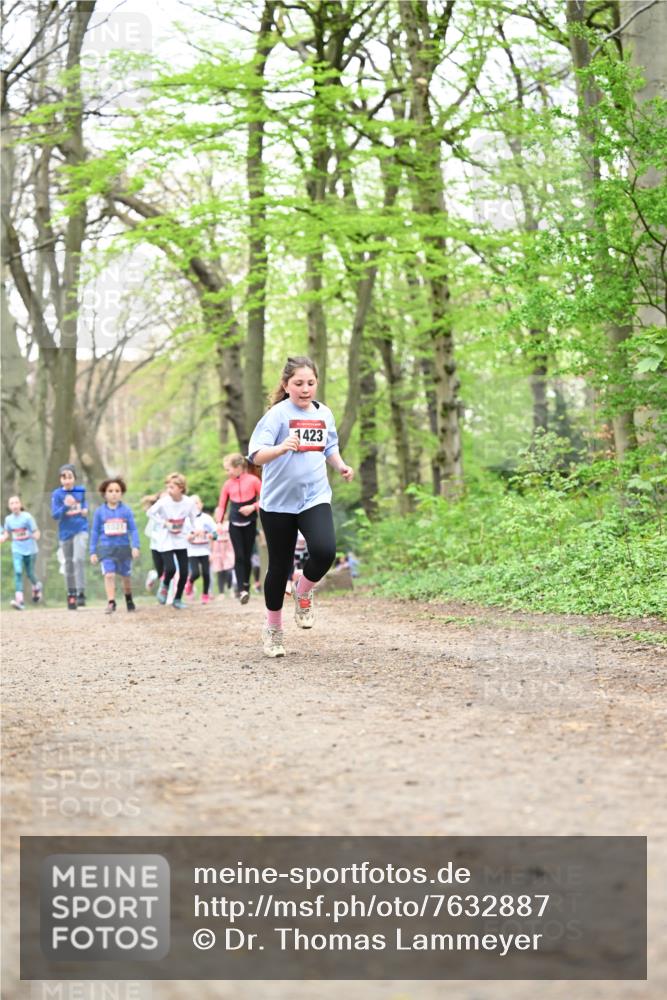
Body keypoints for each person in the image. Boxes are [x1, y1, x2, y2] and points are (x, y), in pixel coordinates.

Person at [247, 355, 354, 657]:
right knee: (279, 568)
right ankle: (273, 630)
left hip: (314, 496)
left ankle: (303, 590)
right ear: (286, 385)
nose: (305, 389)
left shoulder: (324, 414)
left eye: (310, 383)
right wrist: (281, 448)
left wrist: (341, 465)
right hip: (278, 502)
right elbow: (255, 454)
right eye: (298, 383)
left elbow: (329, 446)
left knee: (325, 551)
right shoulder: (277, 416)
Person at [216, 453, 261, 605]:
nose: (227, 472)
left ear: (238, 467)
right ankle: (241, 589)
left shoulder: (254, 481)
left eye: (228, 469)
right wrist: (218, 522)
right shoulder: (227, 484)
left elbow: (265, 499)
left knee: (247, 556)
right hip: (234, 523)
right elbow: (222, 505)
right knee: (239, 556)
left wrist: (252, 507)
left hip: (250, 522)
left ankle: (246, 586)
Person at [146, 473, 196, 610]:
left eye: (172, 487)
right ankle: (165, 585)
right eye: (167, 487)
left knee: (185, 572)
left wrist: (193, 532)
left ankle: (178, 599)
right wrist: (164, 522)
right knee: (170, 569)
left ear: (181, 488)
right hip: (166, 537)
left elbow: (193, 518)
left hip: (181, 538)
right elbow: (150, 513)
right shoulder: (164, 502)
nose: (169, 490)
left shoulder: (189, 502)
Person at [90, 478, 140, 614]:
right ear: (104, 494)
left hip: (123, 548)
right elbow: (94, 532)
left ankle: (128, 598)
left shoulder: (126, 511)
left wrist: (135, 546)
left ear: (121, 493)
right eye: (110, 491)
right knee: (109, 575)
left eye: (117, 491)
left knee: (126, 576)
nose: (114, 494)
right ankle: (111, 602)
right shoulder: (100, 512)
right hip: (106, 548)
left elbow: (133, 529)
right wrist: (92, 552)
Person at [50, 463, 89, 610]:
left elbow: (85, 504)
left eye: (70, 477)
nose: (67, 480)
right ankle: (71, 593)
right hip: (65, 532)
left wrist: (85, 509)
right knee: (68, 563)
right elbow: (55, 515)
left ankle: (80, 592)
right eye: (63, 477)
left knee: (78, 559)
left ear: (74, 478)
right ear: (60, 479)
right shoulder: (57, 494)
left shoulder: (81, 491)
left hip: (80, 529)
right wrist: (66, 505)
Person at [1, 495, 42, 609]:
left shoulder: (27, 517)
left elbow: (36, 531)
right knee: (18, 572)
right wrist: (3, 538)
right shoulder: (8, 519)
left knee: (30, 573)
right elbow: (6, 533)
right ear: (9, 506)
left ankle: (37, 586)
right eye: (11, 503)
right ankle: (20, 601)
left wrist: (36, 535)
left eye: (16, 503)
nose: (14, 505)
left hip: (31, 550)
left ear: (20, 504)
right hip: (17, 550)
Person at [184, 496, 217, 604]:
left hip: (204, 550)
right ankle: (190, 582)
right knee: (195, 573)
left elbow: (215, 533)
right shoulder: (186, 519)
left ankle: (205, 594)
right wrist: (191, 535)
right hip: (192, 551)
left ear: (201, 504)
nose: (195, 506)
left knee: (206, 573)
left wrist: (212, 535)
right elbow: (184, 536)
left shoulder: (207, 518)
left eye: (197, 503)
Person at [210, 520, 235, 597]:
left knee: (229, 571)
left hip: (228, 550)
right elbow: (213, 539)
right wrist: (211, 552)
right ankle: (221, 593)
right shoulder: (214, 526)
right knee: (220, 572)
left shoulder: (229, 524)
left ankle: (230, 587)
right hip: (217, 551)